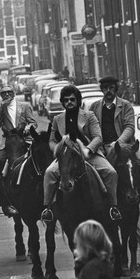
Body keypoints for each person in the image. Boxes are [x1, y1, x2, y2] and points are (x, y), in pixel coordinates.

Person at [40, 84, 122, 223]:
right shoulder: (57, 119)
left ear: (78, 101)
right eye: (66, 100)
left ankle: (113, 207)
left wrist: (88, 150)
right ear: (63, 103)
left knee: (111, 172)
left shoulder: (89, 116)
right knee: (49, 172)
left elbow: (98, 137)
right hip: (66, 156)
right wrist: (58, 150)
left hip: (89, 155)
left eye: (72, 99)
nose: (69, 102)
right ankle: (48, 209)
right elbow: (52, 140)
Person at [90, 76, 140, 214]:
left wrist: (119, 142)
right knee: (98, 170)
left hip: (126, 145)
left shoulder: (125, 105)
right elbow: (92, 127)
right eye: (105, 88)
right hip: (103, 147)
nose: (108, 91)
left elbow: (130, 127)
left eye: (111, 88)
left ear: (116, 89)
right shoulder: (94, 107)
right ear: (102, 90)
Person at [0, 84, 38, 175]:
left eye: (9, 92)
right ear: (0, 95)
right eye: (3, 93)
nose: (7, 95)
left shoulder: (24, 106)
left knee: (37, 157)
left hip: (24, 138)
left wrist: (27, 129)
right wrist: (2, 108)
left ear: (14, 93)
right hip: (8, 140)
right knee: (0, 160)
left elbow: (33, 123)